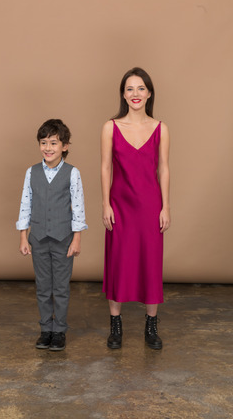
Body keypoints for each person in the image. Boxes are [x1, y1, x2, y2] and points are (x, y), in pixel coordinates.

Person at [101, 67, 170, 350]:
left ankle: (151, 326)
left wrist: (166, 206)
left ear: (149, 93)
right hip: (120, 204)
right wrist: (105, 203)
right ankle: (115, 325)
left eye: (141, 88)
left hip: (150, 205)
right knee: (118, 261)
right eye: (130, 89)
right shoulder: (110, 127)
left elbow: (163, 169)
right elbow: (105, 167)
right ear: (123, 94)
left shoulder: (161, 128)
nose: (135, 94)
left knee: (151, 262)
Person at [16, 119, 88, 351]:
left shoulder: (72, 173)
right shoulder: (32, 172)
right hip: (37, 238)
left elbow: (78, 207)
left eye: (53, 143)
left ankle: (59, 331)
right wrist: (23, 237)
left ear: (64, 146)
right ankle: (45, 329)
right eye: (44, 142)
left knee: (61, 288)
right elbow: (25, 204)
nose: (48, 148)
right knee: (43, 287)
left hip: (63, 239)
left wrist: (76, 238)